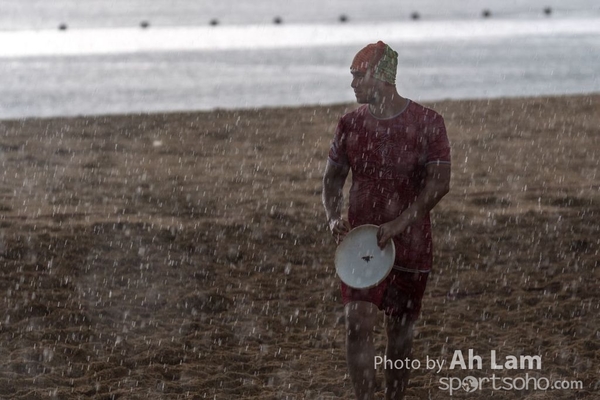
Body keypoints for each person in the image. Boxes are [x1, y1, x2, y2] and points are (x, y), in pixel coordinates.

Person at [322, 41, 451, 399]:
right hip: (361, 245)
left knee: (400, 333)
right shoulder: (349, 124)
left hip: (411, 244)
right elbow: (332, 180)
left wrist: (400, 224)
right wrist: (334, 218)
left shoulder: (428, 122)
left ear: (381, 77)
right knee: (356, 323)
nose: (352, 85)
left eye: (357, 76)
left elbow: (440, 183)